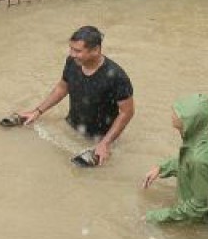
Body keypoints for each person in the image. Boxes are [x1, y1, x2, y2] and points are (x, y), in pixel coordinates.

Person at [18, 25, 135, 165]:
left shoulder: (116, 76)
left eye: (78, 51)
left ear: (96, 50)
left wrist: (105, 143)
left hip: (99, 139)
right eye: (71, 49)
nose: (72, 54)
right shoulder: (72, 62)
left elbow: (127, 112)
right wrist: (37, 112)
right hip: (71, 127)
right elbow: (62, 87)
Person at [142, 93, 208, 231]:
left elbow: (198, 206)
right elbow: (186, 163)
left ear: (192, 121)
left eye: (179, 113)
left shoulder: (198, 160)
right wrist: (162, 168)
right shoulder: (202, 141)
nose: (173, 114)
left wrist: (157, 216)